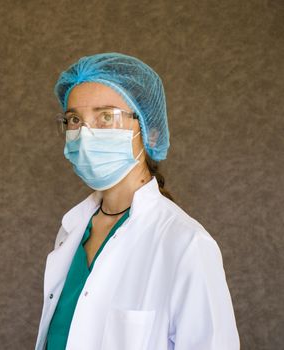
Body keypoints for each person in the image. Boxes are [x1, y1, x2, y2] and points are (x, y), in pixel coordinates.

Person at [34, 53, 240, 350]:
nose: (86, 134)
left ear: (149, 131)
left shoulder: (185, 243)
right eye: (75, 120)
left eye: (106, 117)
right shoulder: (74, 229)